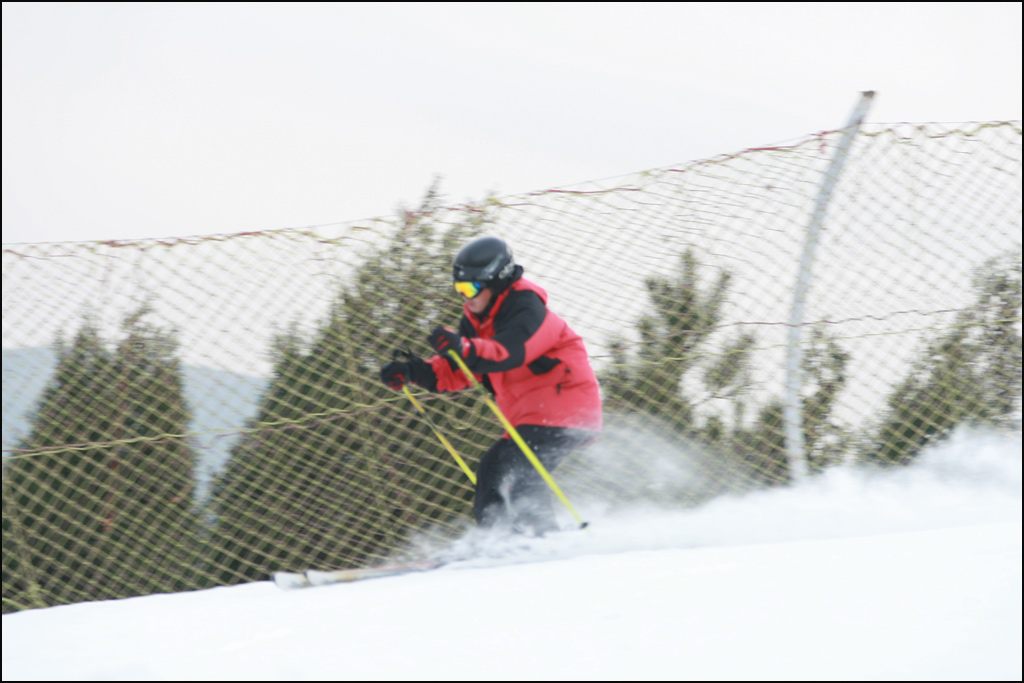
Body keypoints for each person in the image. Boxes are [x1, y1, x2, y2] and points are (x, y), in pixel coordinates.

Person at [380, 236, 602, 535]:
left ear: (494, 281)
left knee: (518, 468)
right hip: (530, 418)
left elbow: (510, 351)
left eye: (470, 288)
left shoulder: (527, 308)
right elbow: (461, 370)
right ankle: (496, 541)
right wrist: (413, 372)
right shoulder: (477, 320)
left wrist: (465, 348)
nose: (465, 297)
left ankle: (541, 537)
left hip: (566, 411)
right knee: (491, 471)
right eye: (459, 289)